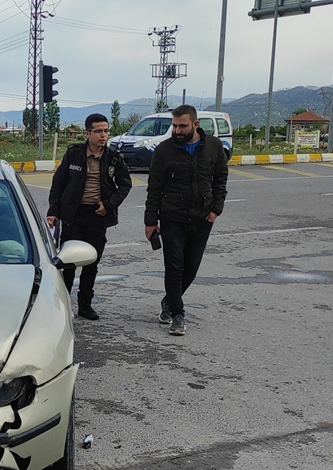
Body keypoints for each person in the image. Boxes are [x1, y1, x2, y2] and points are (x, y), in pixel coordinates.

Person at [143, 105, 228, 336]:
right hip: (172, 217)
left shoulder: (213, 146)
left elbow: (220, 180)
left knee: (191, 268)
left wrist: (216, 209)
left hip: (202, 218)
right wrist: (150, 220)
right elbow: (154, 188)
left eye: (183, 126)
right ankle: (178, 314)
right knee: (174, 267)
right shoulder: (164, 150)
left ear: (195, 124)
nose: (178, 130)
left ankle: (169, 301)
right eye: (175, 126)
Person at [47, 113, 132, 320]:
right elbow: (58, 183)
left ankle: (85, 305)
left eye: (106, 131)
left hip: (97, 216)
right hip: (73, 215)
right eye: (98, 131)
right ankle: (63, 306)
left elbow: (125, 184)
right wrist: (53, 211)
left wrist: (109, 205)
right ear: (88, 133)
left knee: (91, 263)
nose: (103, 135)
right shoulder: (74, 155)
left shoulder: (113, 157)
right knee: (68, 263)